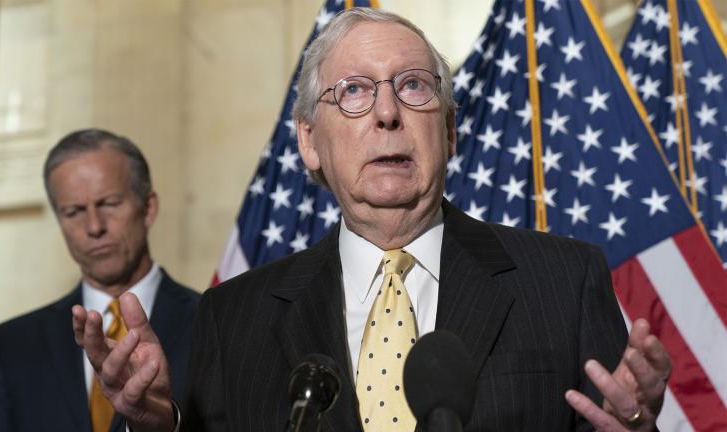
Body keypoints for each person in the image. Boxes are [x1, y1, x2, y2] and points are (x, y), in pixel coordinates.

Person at [74, 9, 671, 432]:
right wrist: (158, 425)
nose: (387, 112)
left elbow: (612, 419)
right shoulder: (234, 315)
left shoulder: (563, 281)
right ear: (310, 142)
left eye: (413, 87)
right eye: (354, 92)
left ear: (450, 129)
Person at [0, 129, 201, 432]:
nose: (94, 226)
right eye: (74, 211)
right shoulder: (7, 347)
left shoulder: (214, 324)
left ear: (148, 208)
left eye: (109, 203)